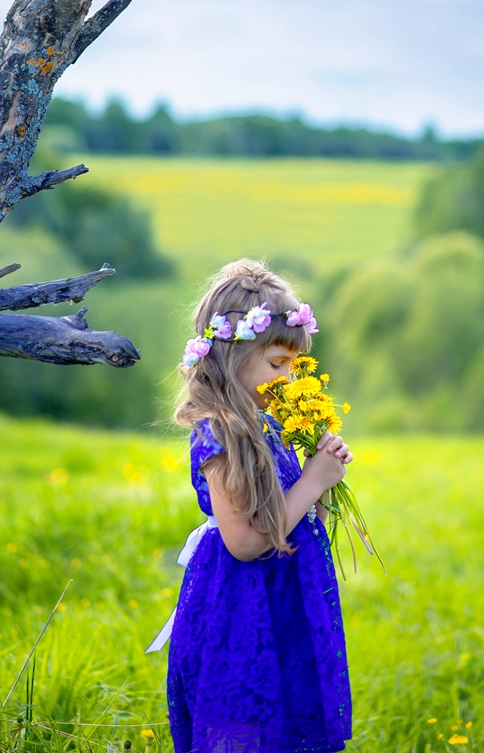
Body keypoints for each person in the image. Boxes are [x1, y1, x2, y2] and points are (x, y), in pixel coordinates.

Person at [149, 259, 353, 753]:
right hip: (241, 602)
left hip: (287, 597)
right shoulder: (220, 434)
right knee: (245, 715)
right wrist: (312, 480)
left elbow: (304, 521)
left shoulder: (272, 426)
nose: (287, 378)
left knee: (288, 712)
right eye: (276, 364)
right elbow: (243, 542)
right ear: (231, 356)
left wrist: (321, 476)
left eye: (292, 366)